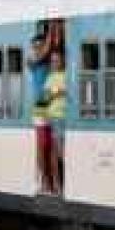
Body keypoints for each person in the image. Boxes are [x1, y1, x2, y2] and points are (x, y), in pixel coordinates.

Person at [28, 33, 54, 194]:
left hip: (53, 104)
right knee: (41, 145)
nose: (38, 49)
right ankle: (41, 182)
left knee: (51, 146)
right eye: (35, 46)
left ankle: (50, 183)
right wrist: (51, 31)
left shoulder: (50, 62)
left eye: (40, 46)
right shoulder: (32, 61)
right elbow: (45, 53)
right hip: (40, 105)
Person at [45, 50, 67, 194]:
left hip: (67, 117)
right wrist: (58, 93)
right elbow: (47, 97)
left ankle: (60, 184)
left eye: (57, 60)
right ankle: (58, 185)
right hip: (56, 116)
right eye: (53, 61)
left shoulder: (66, 75)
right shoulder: (50, 77)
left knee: (61, 151)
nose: (55, 63)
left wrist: (58, 92)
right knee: (60, 152)